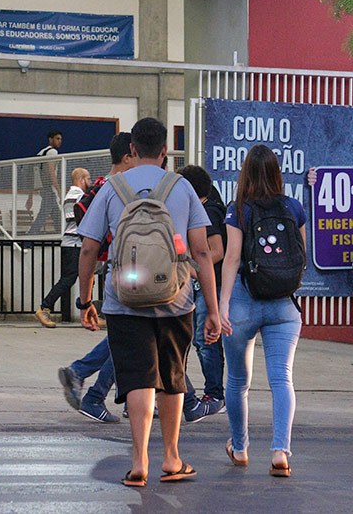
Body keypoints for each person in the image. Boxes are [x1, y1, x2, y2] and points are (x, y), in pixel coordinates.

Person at [76, 118, 224, 486]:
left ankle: (139, 461)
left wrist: (84, 300)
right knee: (172, 377)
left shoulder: (112, 187)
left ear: (131, 150)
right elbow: (202, 252)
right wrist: (214, 309)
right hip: (175, 298)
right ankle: (171, 458)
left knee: (138, 378)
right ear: (164, 152)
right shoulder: (183, 187)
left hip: (123, 299)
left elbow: (90, 247)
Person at [219, 144, 305, 477]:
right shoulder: (294, 208)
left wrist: (223, 304)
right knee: (282, 378)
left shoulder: (238, 210)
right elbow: (301, 256)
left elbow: (232, 259)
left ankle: (240, 448)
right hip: (284, 304)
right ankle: (280, 451)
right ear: (276, 173)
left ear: (245, 175)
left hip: (244, 301)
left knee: (238, 381)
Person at [57, 132, 133, 424]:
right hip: (126, 273)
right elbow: (88, 248)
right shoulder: (117, 189)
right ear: (128, 157)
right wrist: (84, 300)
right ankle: (95, 392)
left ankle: (86, 379)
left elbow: (90, 245)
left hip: (116, 269)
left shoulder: (104, 186)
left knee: (123, 338)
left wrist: (85, 299)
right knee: (130, 339)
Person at [178, 165, 227, 423]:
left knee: (206, 341)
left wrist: (192, 268)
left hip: (210, 285)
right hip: (202, 285)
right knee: (199, 341)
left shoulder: (208, 212)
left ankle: (214, 394)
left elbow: (215, 251)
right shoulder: (200, 210)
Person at [35, 167, 91, 328]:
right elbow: (83, 218)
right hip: (74, 244)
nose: (90, 182)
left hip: (71, 242)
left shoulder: (70, 195)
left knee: (87, 278)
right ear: (81, 180)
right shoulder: (79, 196)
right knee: (69, 279)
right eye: (88, 179)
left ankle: (87, 313)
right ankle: (44, 307)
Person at [27, 130, 63, 234]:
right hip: (48, 188)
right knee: (43, 214)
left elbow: (32, 176)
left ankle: (61, 236)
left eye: (60, 139)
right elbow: (51, 173)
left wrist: (30, 196)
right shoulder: (52, 152)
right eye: (57, 139)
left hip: (41, 188)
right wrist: (59, 191)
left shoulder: (41, 153)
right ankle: (29, 237)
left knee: (56, 215)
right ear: (50, 139)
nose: (60, 141)